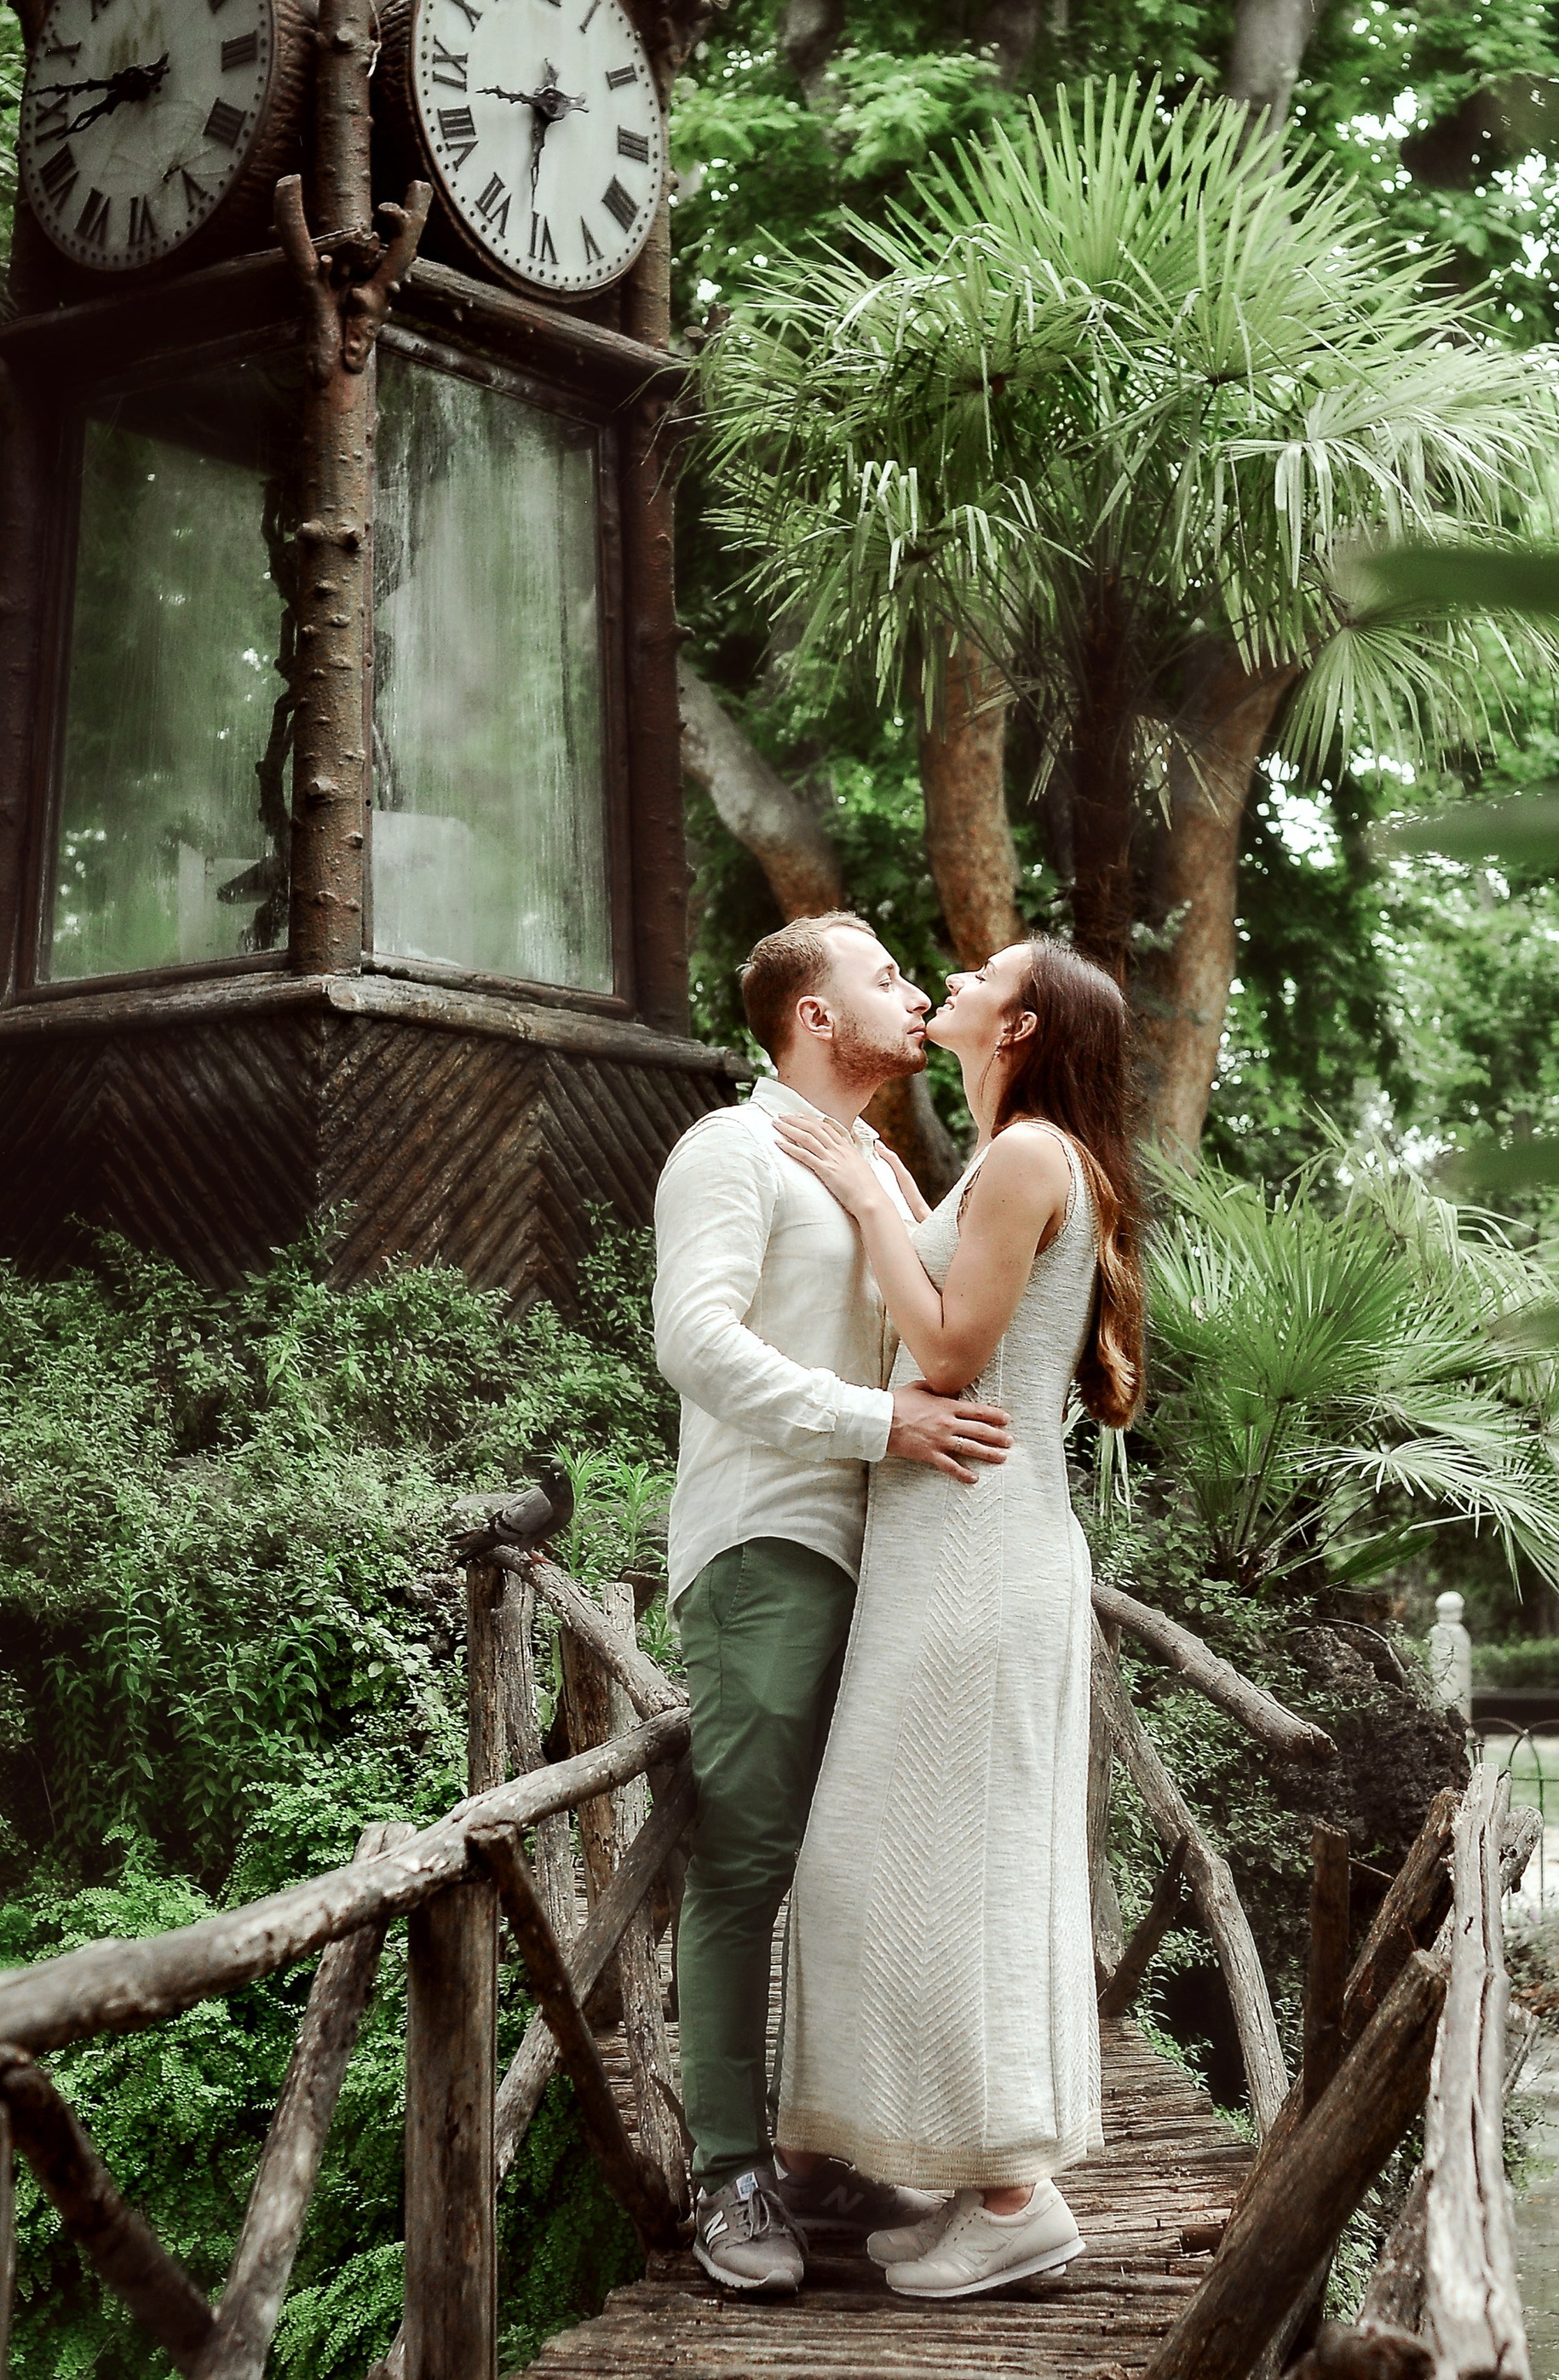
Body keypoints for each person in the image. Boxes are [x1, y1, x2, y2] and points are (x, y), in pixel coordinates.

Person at [768, 937, 1143, 2302]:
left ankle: (1012, 2195)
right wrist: (885, 1193)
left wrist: (868, 1202)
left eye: (980, 973)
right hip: (946, 1547)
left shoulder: (1035, 1154)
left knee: (942, 1860)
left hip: (979, 1554)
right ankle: (929, 2164)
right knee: (898, 1856)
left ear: (1021, 1020)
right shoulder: (1009, 1159)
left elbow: (946, 1351)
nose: (953, 981)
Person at [653, 911, 1015, 2297]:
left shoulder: (872, 1163)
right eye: (884, 977)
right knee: (745, 1860)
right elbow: (695, 1342)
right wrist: (881, 1421)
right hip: (771, 1545)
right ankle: (730, 2173)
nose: (914, 992)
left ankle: (826, 2147)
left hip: (887, 1558)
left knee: (855, 1862)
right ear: (813, 1015)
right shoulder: (729, 1149)